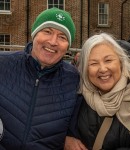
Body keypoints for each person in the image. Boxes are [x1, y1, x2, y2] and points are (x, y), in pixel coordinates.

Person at [0, 7, 83, 150]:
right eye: (47, 32)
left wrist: (69, 136)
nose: (53, 41)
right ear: (34, 34)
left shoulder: (74, 79)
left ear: (68, 46)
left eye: (62, 37)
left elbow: (76, 123)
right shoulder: (3, 63)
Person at [65, 33, 130, 150]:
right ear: (85, 68)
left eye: (108, 60)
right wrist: (65, 139)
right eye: (93, 63)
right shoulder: (78, 94)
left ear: (120, 62)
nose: (103, 69)